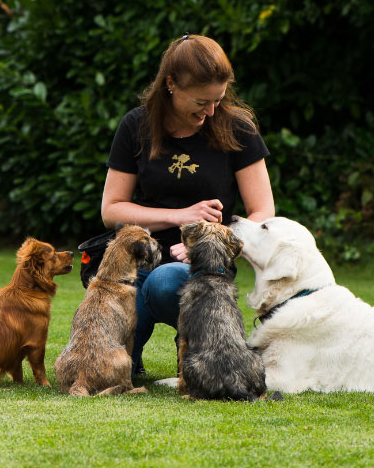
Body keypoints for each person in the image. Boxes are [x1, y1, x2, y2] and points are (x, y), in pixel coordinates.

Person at [100, 34, 275, 377]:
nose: (210, 112)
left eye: (218, 101)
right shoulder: (135, 126)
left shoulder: (238, 128)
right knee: (112, 370)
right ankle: (130, 356)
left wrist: (212, 241)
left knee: (167, 280)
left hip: (204, 270)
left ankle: (196, 350)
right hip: (137, 265)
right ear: (170, 85)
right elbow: (112, 210)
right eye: (201, 102)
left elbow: (263, 212)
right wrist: (180, 217)